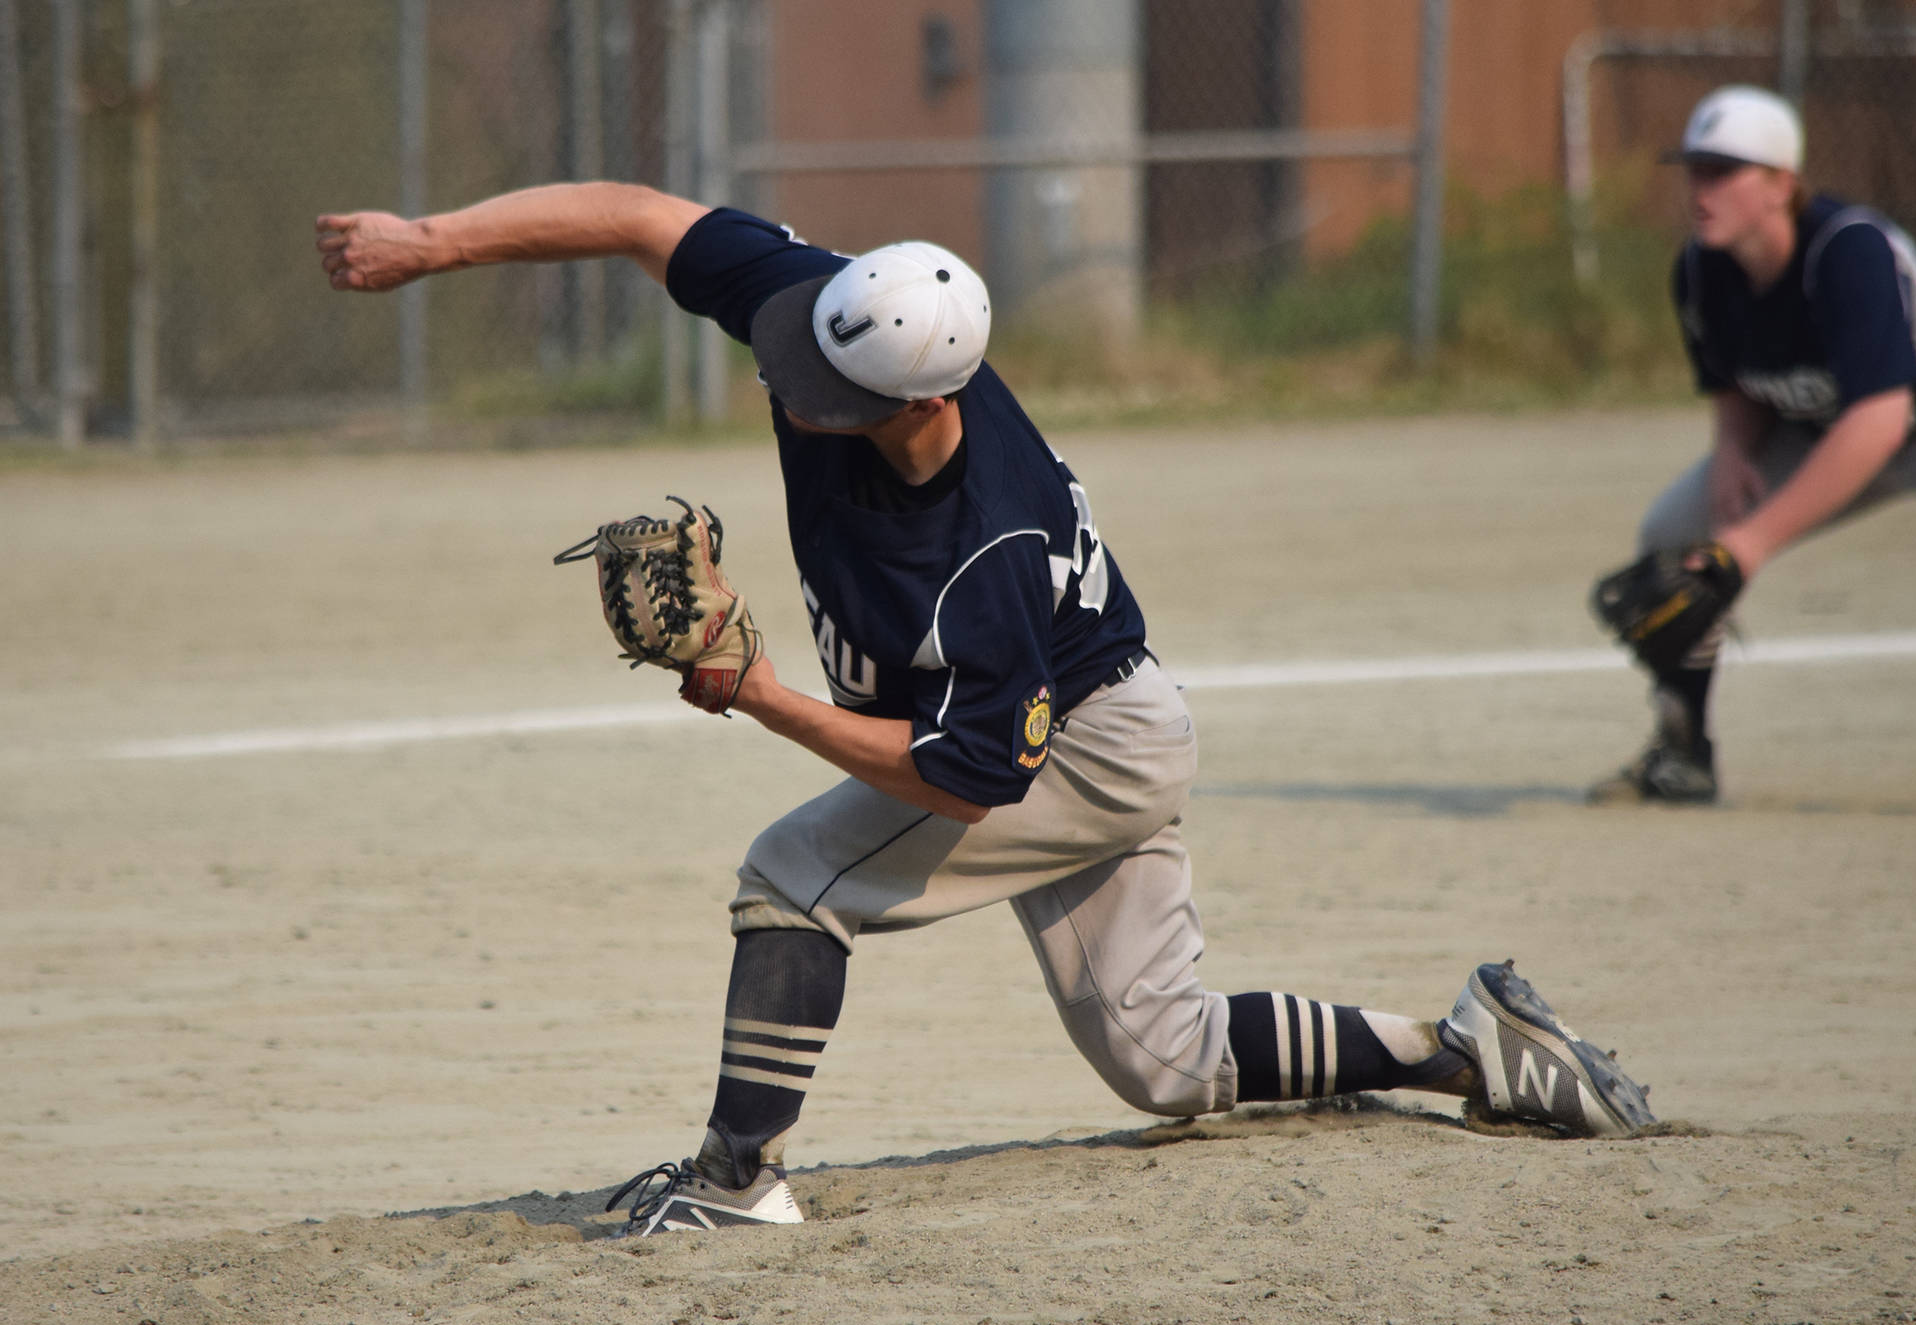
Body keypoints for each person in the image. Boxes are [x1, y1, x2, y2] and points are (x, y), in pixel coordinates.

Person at [316, 183, 1656, 1234]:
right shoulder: (826, 308)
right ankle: (1471, 1048)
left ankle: (738, 1181)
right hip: (1087, 713)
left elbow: (961, 781)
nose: (790, 390)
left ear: (926, 403)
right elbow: (635, 217)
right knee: (1165, 1061)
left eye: (827, 398)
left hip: (1081, 747)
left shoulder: (978, 551)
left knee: (792, 878)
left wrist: (760, 694)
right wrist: (432, 244)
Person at [1591, 85, 1916, 808]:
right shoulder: (1701, 269)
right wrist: (1736, 451)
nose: (1701, 188)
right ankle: (1681, 757)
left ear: (1781, 185)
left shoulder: (1847, 251)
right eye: (1695, 169)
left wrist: (1747, 547)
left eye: (1724, 171)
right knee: (1676, 536)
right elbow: (1737, 377)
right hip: (1835, 425)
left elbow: (1879, 419)